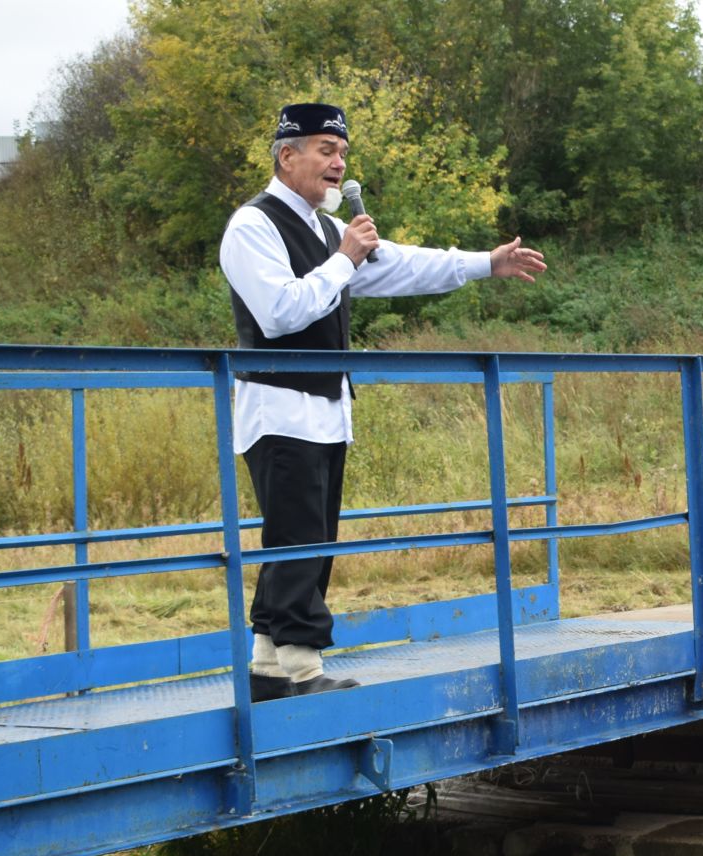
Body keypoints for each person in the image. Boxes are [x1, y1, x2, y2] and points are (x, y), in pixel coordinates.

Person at [221, 102, 546, 700]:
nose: (338, 164)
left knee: (310, 537)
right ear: (286, 155)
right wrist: (344, 258)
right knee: (297, 539)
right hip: (279, 408)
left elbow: (401, 266)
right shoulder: (253, 226)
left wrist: (484, 264)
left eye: (342, 153)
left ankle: (269, 665)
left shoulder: (324, 230)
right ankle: (301, 668)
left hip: (325, 411)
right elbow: (279, 311)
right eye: (325, 150)